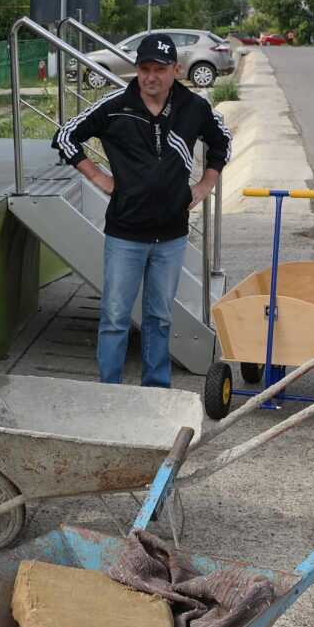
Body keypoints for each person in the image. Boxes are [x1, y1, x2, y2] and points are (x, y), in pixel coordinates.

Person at [52, 34, 232, 387]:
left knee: (160, 317)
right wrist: (97, 176)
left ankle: (155, 390)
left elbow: (221, 141)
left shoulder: (194, 107)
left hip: (171, 235)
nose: (151, 77)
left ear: (176, 70)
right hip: (124, 234)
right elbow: (65, 136)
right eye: (145, 69)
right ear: (137, 70)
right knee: (116, 318)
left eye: (160, 69)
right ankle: (110, 391)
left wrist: (206, 184)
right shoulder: (116, 104)